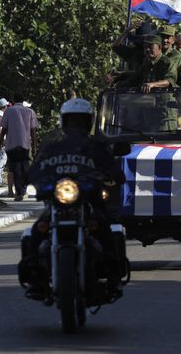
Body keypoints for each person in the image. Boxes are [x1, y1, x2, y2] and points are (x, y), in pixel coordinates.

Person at [21, 98, 127, 300]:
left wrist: (112, 175)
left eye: (79, 121)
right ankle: (35, 279)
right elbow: (38, 167)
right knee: (38, 229)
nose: (75, 125)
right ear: (64, 121)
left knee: (105, 226)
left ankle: (113, 279)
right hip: (58, 200)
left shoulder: (97, 145)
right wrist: (32, 177)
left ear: (88, 122)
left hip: (88, 199)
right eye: (72, 120)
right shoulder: (53, 146)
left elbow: (113, 169)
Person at [0, 92, 39, 201]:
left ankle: (18, 192)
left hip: (11, 144)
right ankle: (23, 190)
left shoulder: (8, 111)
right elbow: (33, 131)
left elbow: (4, 128)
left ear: (13, 100)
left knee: (15, 168)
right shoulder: (30, 112)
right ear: (23, 100)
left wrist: (0, 141)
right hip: (25, 145)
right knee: (25, 168)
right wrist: (34, 145)